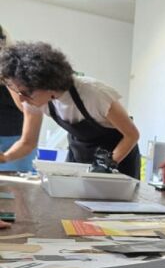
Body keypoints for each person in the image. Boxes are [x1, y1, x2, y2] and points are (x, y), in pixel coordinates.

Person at [0, 42, 140, 177]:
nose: (22, 99)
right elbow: (28, 142)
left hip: (118, 157)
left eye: (25, 93)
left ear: (48, 85)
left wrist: (107, 165)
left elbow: (132, 135)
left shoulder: (93, 93)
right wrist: (5, 157)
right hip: (79, 156)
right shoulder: (34, 99)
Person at [0, 25, 35, 173]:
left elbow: (25, 106)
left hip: (15, 141)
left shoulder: (17, 66)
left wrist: (5, 72)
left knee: (13, 191)